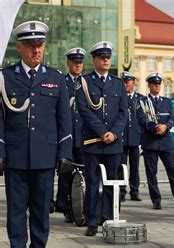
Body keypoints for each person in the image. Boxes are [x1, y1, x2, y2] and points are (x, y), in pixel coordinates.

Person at [0, 20, 72, 247]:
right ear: (19, 47)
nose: (36, 49)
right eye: (30, 44)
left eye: (40, 44)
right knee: (16, 212)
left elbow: (64, 120)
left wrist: (65, 152)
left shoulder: (56, 78)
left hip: (45, 157)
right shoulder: (5, 78)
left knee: (41, 212)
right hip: (16, 156)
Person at [76, 41, 128, 236]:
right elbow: (84, 110)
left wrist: (113, 133)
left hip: (113, 143)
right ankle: (92, 221)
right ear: (94, 59)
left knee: (111, 183)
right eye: (102, 57)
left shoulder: (117, 83)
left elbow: (124, 113)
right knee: (92, 182)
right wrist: (101, 132)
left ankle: (108, 218)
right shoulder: (84, 82)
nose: (106, 60)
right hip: (93, 142)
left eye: (108, 57)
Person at [137, 72, 174, 209]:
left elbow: (172, 118)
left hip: (165, 142)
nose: (157, 86)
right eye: (154, 83)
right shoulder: (142, 102)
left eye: (159, 83)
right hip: (150, 142)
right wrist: (154, 127)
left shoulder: (166, 101)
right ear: (149, 85)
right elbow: (141, 119)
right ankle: (156, 200)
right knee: (151, 173)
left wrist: (165, 126)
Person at [56, 47, 86, 223]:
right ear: (68, 63)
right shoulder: (61, 81)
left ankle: (82, 208)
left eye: (80, 62)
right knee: (65, 175)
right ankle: (66, 208)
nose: (78, 65)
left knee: (84, 175)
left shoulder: (88, 83)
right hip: (66, 137)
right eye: (75, 62)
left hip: (83, 137)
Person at [119, 71, 144, 202]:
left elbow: (144, 119)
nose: (125, 84)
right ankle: (121, 191)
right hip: (121, 138)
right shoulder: (118, 97)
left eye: (127, 81)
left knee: (135, 167)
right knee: (121, 166)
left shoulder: (140, 99)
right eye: (123, 81)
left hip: (135, 137)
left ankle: (135, 191)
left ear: (133, 82)